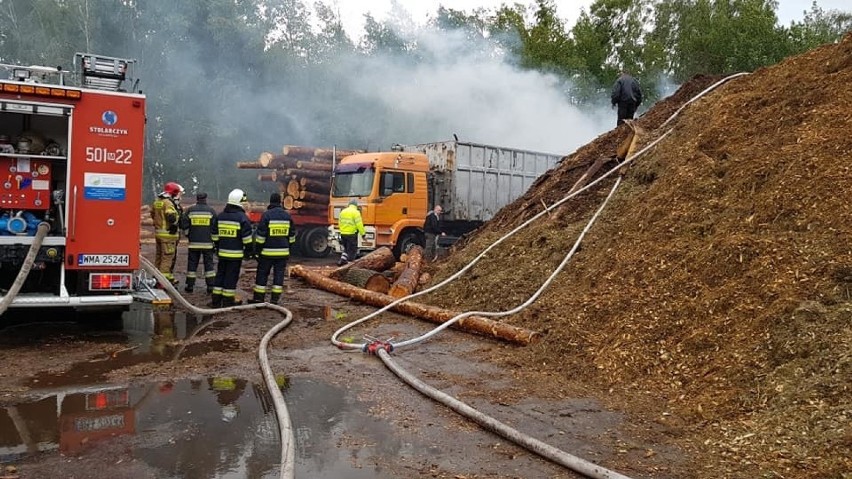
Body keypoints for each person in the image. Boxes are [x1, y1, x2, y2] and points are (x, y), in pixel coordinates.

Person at [210, 188, 254, 307]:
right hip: (235, 254)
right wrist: (249, 251)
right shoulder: (242, 218)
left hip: (222, 253)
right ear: (239, 202)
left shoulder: (221, 216)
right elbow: (247, 239)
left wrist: (218, 246)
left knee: (220, 275)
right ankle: (228, 301)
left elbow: (214, 235)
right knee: (231, 276)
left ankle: (216, 300)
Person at [251, 193, 296, 304]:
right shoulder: (287, 216)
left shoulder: (266, 215)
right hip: (282, 254)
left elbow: (261, 237)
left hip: (266, 253)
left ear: (270, 202)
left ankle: (259, 298)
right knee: (279, 275)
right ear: (280, 202)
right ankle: (275, 300)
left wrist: (257, 251)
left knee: (262, 274)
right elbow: (292, 236)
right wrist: (287, 248)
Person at [180, 192, 218, 294]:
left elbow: (184, 224)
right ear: (206, 199)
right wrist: (214, 241)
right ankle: (210, 286)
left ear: (196, 199)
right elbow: (215, 228)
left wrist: (188, 235)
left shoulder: (190, 210)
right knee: (209, 265)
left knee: (192, 265)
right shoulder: (211, 211)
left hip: (194, 243)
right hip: (208, 244)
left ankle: (190, 286)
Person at [151, 181, 184, 286]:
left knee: (159, 257)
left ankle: (156, 278)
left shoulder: (157, 201)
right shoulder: (168, 203)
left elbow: (152, 214)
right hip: (168, 236)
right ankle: (163, 282)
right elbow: (171, 217)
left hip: (159, 234)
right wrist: (176, 221)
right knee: (167, 258)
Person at [337, 198, 365, 266]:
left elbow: (339, 222)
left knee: (346, 249)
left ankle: (342, 260)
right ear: (356, 205)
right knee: (352, 250)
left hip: (343, 233)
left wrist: (341, 231)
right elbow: (359, 224)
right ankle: (350, 265)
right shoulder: (356, 212)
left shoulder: (343, 211)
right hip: (351, 234)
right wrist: (363, 234)